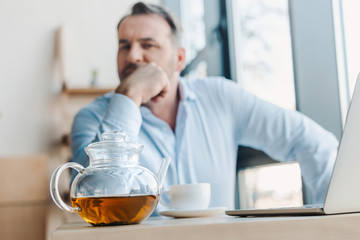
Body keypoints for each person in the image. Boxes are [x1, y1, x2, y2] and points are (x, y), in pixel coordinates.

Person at [70, 2, 338, 214]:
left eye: (147, 45)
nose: (133, 56)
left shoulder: (221, 97)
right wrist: (129, 96)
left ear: (179, 59)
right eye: (124, 46)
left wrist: (333, 217)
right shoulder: (91, 118)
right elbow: (96, 193)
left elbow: (315, 143)